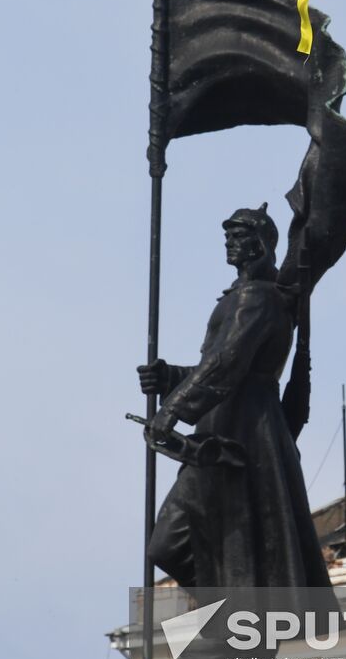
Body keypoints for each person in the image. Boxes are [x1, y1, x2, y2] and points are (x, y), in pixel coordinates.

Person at [137, 204, 333, 593]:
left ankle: (241, 619)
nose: (230, 242)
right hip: (220, 428)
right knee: (176, 543)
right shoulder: (244, 295)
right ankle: (232, 612)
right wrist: (169, 378)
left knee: (223, 539)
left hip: (243, 433)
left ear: (261, 244)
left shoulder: (257, 298)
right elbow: (220, 365)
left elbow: (227, 364)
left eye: (239, 235)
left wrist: (171, 411)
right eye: (227, 236)